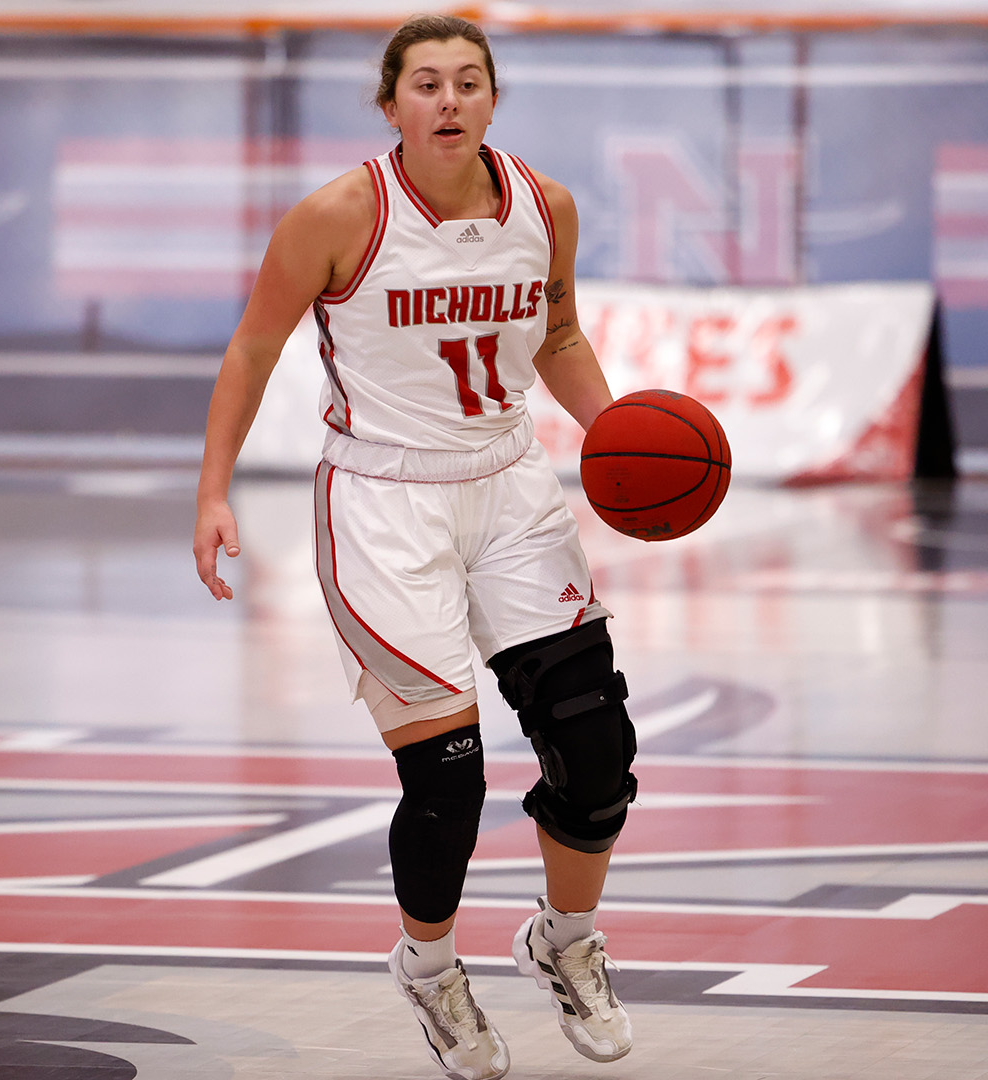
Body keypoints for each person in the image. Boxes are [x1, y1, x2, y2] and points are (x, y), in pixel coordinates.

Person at [194, 15, 638, 1080]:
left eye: (468, 82)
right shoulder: (340, 214)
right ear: (389, 104)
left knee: (599, 753)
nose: (448, 100)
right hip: (384, 504)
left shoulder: (546, 206)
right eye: (426, 83)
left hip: (511, 485)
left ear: (494, 99)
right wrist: (212, 490)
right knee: (449, 779)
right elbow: (254, 348)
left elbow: (560, 332)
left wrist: (616, 436)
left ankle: (565, 944)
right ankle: (431, 967)